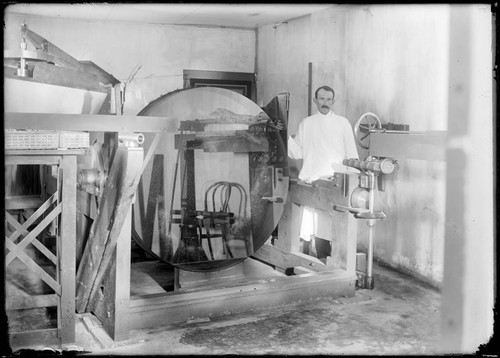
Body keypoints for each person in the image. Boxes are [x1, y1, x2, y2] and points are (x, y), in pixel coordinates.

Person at [287, 85, 359, 258]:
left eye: (328, 99)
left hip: (334, 183)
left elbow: (352, 155)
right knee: (310, 228)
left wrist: (351, 183)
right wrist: (284, 135)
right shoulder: (307, 123)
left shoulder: (343, 123)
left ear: (333, 101)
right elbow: (297, 153)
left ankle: (328, 263)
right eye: (321, 98)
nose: (325, 102)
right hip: (311, 183)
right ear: (315, 100)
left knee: (329, 230)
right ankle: (306, 262)